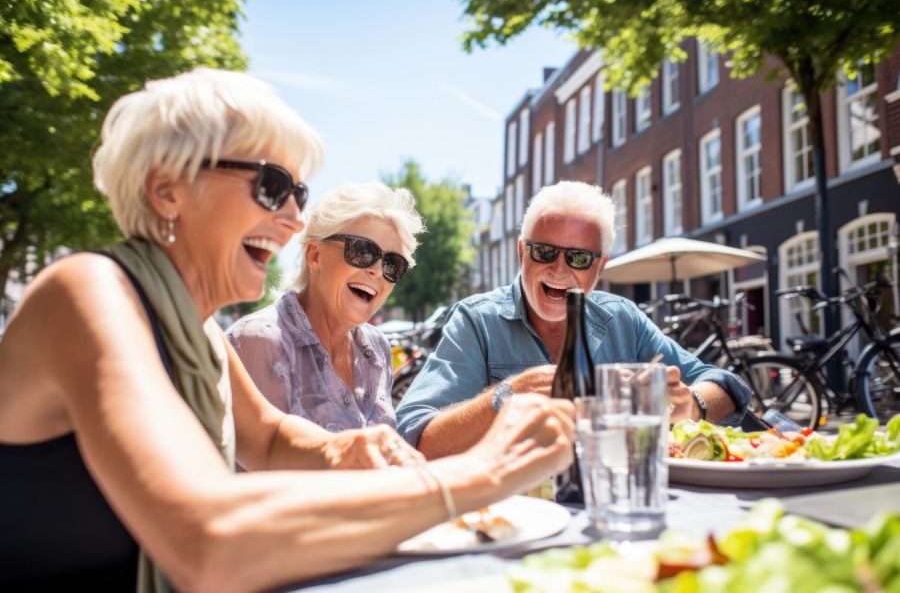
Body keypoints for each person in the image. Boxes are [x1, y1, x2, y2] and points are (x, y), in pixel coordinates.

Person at [0, 68, 575, 592]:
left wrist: (348, 446)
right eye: (272, 185)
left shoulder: (190, 325)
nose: (297, 217)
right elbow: (208, 540)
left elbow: (271, 438)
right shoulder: (90, 292)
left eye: (299, 194)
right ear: (167, 188)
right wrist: (481, 472)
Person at [396, 181, 752, 459]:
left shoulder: (623, 318)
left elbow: (728, 387)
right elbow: (414, 437)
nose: (559, 268)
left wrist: (692, 404)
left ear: (600, 267)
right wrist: (507, 396)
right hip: (517, 514)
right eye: (545, 251)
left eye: (579, 258)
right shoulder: (477, 321)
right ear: (522, 252)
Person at [226, 182, 424, 433]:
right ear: (314, 255)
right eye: (363, 251)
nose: (376, 270)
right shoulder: (260, 339)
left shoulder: (377, 348)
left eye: (392, 264)